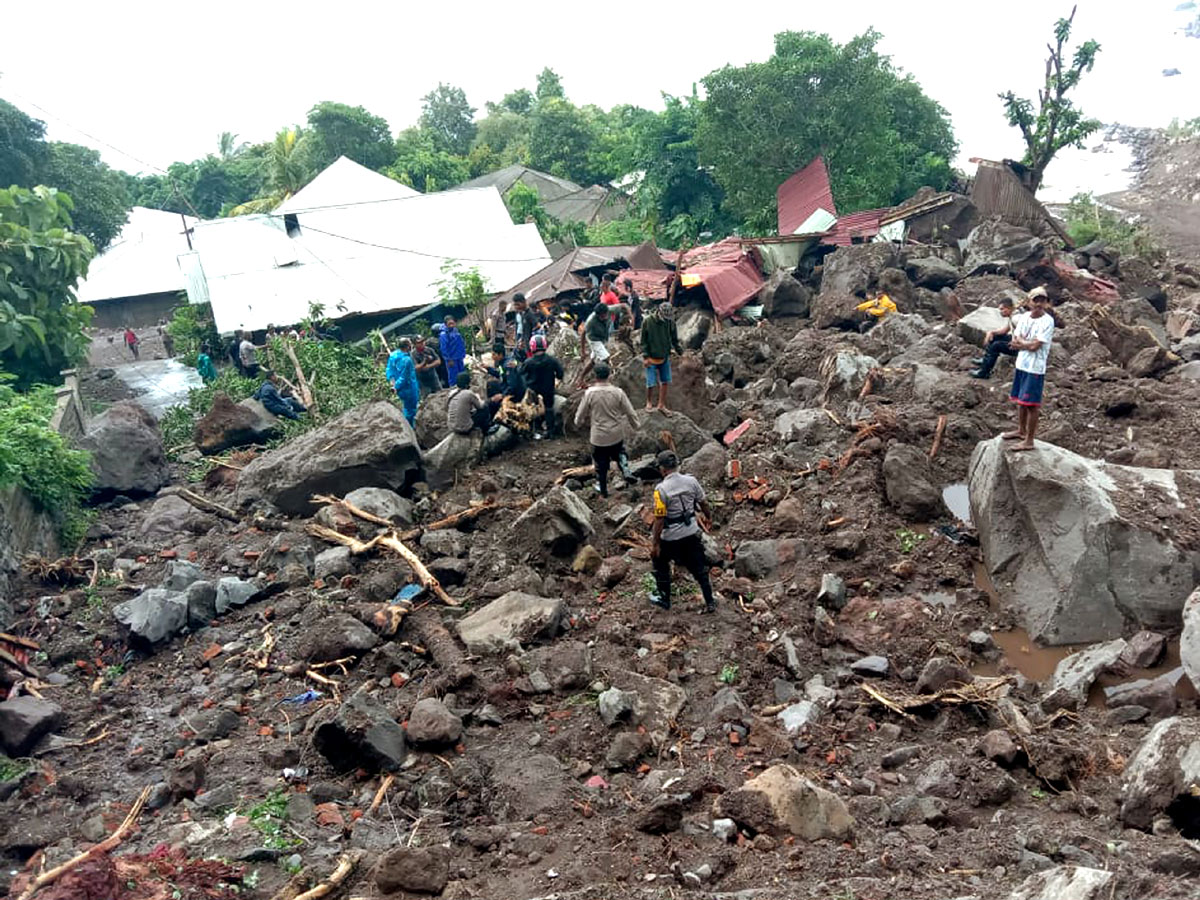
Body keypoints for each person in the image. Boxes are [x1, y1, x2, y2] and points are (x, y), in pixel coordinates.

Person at [649, 450, 716, 614]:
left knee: (660, 563)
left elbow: (659, 519)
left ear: (663, 470)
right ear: (677, 465)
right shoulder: (691, 481)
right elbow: (703, 502)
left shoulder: (661, 490)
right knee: (700, 568)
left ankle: (664, 598)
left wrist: (656, 543)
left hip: (670, 537)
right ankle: (710, 601)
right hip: (691, 532)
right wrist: (708, 517)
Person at [574, 362, 638, 498]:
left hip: (598, 437)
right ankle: (625, 469)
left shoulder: (590, 393)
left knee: (600, 464)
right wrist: (636, 425)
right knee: (620, 452)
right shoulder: (618, 392)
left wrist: (577, 423)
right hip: (616, 434)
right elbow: (630, 412)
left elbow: (580, 414)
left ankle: (603, 490)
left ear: (595, 376)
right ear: (609, 375)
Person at [1002, 287, 1055, 452]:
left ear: (1046, 303)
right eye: (1036, 300)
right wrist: (1024, 344)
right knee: (1020, 401)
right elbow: (1017, 338)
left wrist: (1022, 345)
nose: (1039, 303)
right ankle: (1021, 430)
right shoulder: (1025, 317)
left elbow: (1035, 346)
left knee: (1032, 404)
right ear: (1029, 302)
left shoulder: (1047, 321)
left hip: (1035, 368)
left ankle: (1029, 440)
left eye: (1042, 300)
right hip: (1022, 364)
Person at [521, 333, 565, 439]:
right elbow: (560, 374)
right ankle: (550, 432)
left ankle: (535, 430)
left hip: (533, 390)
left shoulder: (528, 362)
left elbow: (521, 374)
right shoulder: (552, 360)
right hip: (548, 389)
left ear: (532, 347)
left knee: (533, 409)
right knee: (549, 409)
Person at [640, 303, 682, 413]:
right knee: (651, 382)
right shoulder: (648, 322)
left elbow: (674, 339)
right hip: (651, 357)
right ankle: (648, 402)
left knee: (665, 381)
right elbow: (643, 341)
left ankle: (661, 404)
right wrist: (645, 357)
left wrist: (680, 352)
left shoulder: (670, 323)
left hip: (664, 356)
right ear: (659, 312)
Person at [969, 297, 1019, 379]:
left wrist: (1015, 343)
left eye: (1002, 309)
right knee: (996, 337)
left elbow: (1025, 333)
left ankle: (984, 372)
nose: (1001, 312)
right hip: (1016, 340)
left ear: (1009, 308)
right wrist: (991, 332)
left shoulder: (1017, 318)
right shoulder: (1013, 315)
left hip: (1019, 346)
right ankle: (986, 360)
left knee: (996, 346)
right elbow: (1005, 330)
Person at [575, 303, 612, 388]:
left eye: (605, 315)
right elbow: (583, 334)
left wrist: (630, 317)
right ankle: (604, 380)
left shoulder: (611, 310)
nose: (604, 318)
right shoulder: (590, 322)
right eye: (601, 316)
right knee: (606, 358)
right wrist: (583, 351)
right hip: (593, 340)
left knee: (593, 361)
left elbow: (624, 306)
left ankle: (580, 379)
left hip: (601, 338)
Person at [386, 338, 420, 425]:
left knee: (406, 407)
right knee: (411, 410)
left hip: (400, 389)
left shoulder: (393, 355)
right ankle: (411, 428)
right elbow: (404, 377)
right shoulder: (407, 360)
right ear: (407, 347)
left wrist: (393, 383)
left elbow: (389, 371)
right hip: (408, 388)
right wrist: (396, 386)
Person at [439, 316, 467, 385]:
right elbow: (444, 348)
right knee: (453, 376)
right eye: (449, 324)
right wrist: (448, 359)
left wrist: (463, 354)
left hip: (459, 357)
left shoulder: (455, 331)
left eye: (452, 323)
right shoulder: (444, 335)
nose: (451, 325)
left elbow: (460, 343)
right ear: (446, 324)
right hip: (452, 359)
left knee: (462, 374)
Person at [511, 293, 537, 360]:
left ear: (524, 302)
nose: (516, 307)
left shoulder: (529, 314)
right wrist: (522, 340)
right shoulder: (522, 314)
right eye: (515, 305)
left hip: (531, 344)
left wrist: (531, 339)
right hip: (525, 343)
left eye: (518, 304)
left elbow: (537, 326)